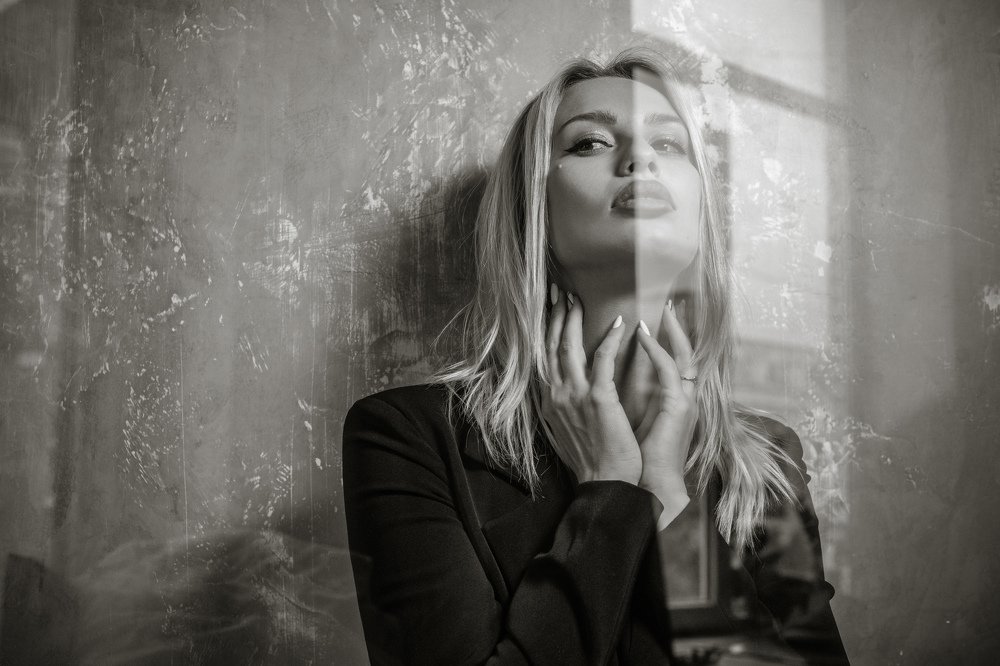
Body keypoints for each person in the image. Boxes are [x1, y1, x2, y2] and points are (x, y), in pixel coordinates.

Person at [343, 48, 849, 665]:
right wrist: (609, 492)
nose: (641, 159)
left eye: (669, 144)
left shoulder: (765, 460)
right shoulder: (408, 437)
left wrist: (669, 501)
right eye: (590, 142)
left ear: (700, 211)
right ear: (532, 211)